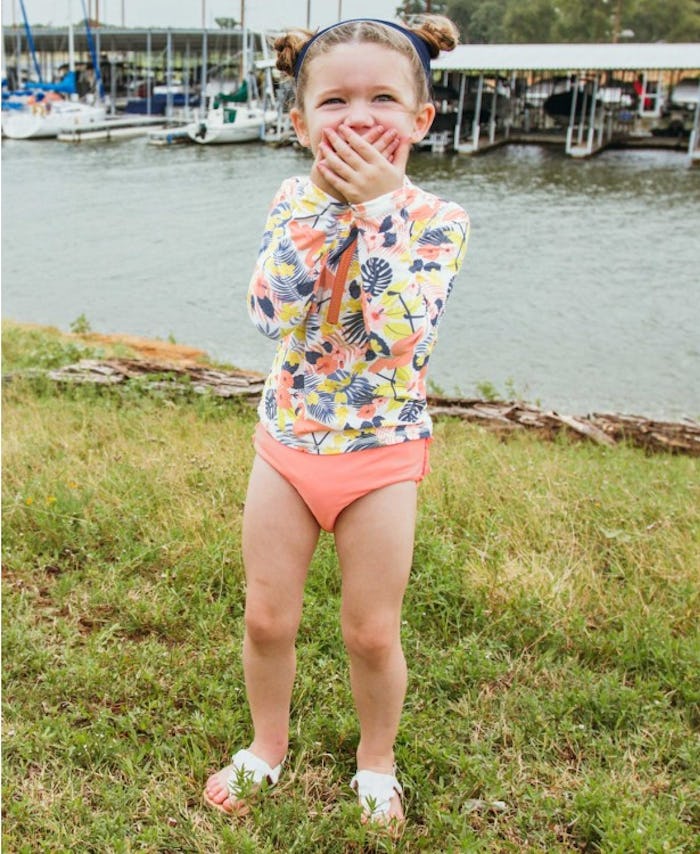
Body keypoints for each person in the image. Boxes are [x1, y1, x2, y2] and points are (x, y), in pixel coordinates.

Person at [204, 14, 469, 832]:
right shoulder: (292, 200)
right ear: (300, 123)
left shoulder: (439, 221)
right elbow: (268, 311)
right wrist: (325, 208)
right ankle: (266, 748)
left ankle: (375, 760)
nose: (359, 117)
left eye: (384, 98)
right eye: (336, 101)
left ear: (421, 119)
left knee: (369, 632)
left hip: (381, 457)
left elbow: (398, 337)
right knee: (266, 615)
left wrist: (381, 212)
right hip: (287, 444)